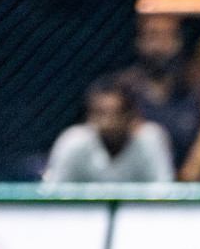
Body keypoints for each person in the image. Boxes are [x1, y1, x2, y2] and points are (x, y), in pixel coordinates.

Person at [114, 13, 200, 166]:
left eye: (168, 36)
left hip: (193, 183)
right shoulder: (121, 89)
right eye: (153, 35)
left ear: (180, 42)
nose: (160, 46)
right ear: (139, 41)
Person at [44, 76, 175, 184]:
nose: (107, 123)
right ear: (89, 116)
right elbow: (54, 196)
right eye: (100, 113)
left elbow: (164, 194)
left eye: (115, 113)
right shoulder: (73, 142)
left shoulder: (150, 140)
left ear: (131, 115)